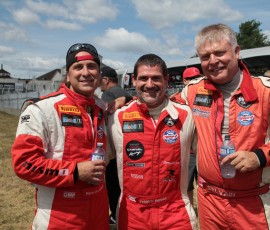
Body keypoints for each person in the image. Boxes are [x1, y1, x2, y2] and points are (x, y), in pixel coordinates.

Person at [175, 23, 270, 229]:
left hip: (251, 202)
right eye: (205, 56)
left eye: (219, 53)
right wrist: (123, 102)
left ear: (236, 51)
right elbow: (163, 110)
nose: (213, 61)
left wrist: (259, 156)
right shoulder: (191, 91)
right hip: (209, 200)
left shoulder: (267, 90)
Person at [11, 43, 109, 229]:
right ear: (68, 75)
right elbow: (24, 163)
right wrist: (76, 172)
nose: (86, 72)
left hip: (98, 213)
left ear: (99, 73)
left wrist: (123, 99)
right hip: (60, 217)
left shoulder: (102, 108)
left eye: (92, 66)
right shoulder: (42, 108)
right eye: (78, 67)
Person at [108, 54, 198, 229]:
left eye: (156, 78)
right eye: (143, 78)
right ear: (134, 80)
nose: (149, 84)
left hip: (176, 211)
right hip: (132, 213)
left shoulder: (187, 115)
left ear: (166, 80)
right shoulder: (116, 117)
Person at [100, 66, 131, 225]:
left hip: (114, 146)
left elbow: (102, 118)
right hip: (130, 145)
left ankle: (116, 214)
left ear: (106, 80)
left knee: (113, 184)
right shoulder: (125, 93)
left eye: (100, 80)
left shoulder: (107, 94)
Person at [181, 67, 202, 208]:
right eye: (192, 79)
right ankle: (191, 212)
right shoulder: (178, 99)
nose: (196, 81)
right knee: (187, 186)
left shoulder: (204, 97)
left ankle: (204, 211)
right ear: (184, 81)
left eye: (197, 78)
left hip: (202, 151)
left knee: (204, 185)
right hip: (187, 153)